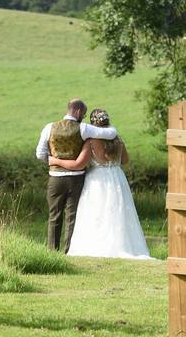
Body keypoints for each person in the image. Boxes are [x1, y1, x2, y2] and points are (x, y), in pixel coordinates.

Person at [49, 108, 151, 259]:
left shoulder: (90, 142)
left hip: (98, 180)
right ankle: (121, 245)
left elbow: (79, 164)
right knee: (119, 211)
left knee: (96, 212)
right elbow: (125, 160)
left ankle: (97, 245)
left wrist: (55, 160)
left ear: (92, 124)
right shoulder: (117, 138)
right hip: (117, 177)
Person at [35, 98, 119, 252]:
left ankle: (52, 251)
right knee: (72, 216)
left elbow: (40, 154)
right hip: (76, 178)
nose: (84, 117)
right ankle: (69, 251)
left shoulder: (49, 127)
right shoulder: (84, 128)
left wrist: (53, 160)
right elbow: (111, 133)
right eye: (84, 114)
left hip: (55, 179)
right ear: (79, 111)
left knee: (54, 216)